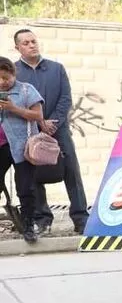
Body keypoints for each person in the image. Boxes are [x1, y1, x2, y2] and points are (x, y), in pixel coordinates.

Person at [13, 29, 88, 234]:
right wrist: (38, 121)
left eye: (34, 41)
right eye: (26, 42)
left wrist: (52, 122)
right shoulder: (14, 72)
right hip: (29, 130)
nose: (31, 45)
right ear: (17, 47)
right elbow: (13, 101)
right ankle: (43, 219)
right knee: (34, 175)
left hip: (59, 129)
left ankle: (81, 218)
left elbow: (66, 98)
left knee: (71, 171)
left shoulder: (56, 68)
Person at [0, 56, 44, 244]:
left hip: (23, 146)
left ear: (13, 73)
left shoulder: (26, 90)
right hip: (1, 146)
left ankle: (28, 226)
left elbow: (38, 115)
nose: (2, 82)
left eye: (5, 77)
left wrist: (13, 108)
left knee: (25, 188)